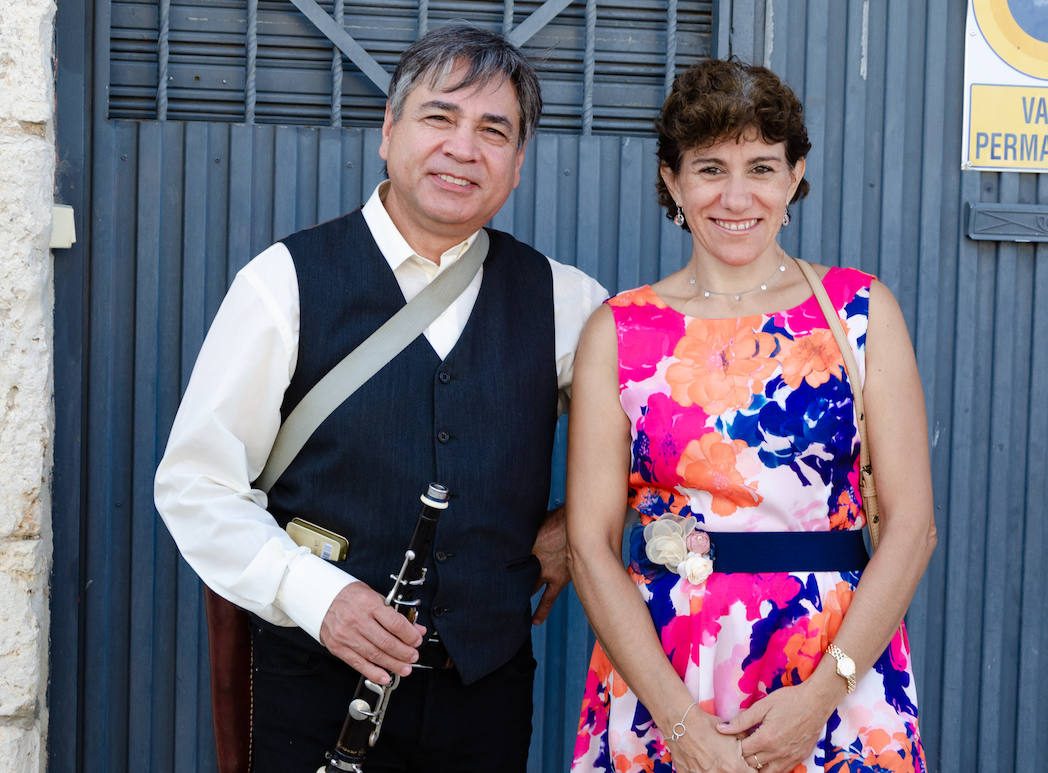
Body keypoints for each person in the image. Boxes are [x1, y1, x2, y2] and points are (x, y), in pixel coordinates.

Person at [154, 24, 606, 772]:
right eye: (439, 117)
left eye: (494, 130)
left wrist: (578, 523)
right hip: (312, 690)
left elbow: (668, 435)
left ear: (518, 164)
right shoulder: (283, 283)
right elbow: (196, 485)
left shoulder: (567, 301)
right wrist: (314, 594)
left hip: (486, 698)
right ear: (387, 130)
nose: (464, 148)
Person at [567, 59, 935, 773]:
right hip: (663, 672)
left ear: (796, 174)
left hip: (835, 672)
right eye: (709, 168)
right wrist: (681, 727)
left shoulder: (860, 312)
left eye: (762, 166)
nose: (736, 197)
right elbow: (588, 544)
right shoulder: (619, 331)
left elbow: (913, 525)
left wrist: (821, 696)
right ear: (672, 180)